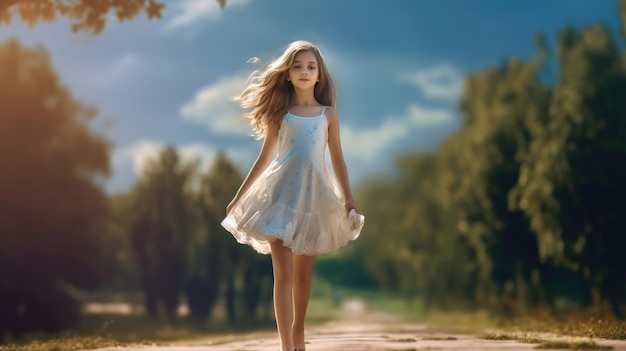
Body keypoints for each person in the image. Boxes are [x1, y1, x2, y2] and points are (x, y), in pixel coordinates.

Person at [221, 40, 365, 351]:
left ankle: (299, 330)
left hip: (313, 200)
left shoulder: (329, 116)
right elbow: (264, 158)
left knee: (302, 276)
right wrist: (239, 196)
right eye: (298, 66)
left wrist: (349, 199)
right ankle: (287, 345)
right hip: (279, 198)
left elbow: (337, 159)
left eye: (310, 67)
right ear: (287, 74)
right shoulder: (280, 115)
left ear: (319, 76)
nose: (304, 71)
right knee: (283, 274)